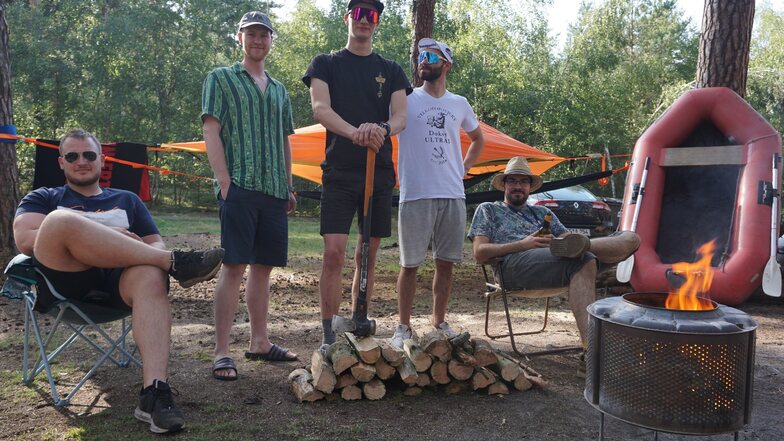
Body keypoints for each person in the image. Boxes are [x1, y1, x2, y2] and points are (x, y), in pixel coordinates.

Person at [13, 129, 225, 434]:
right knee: (60, 221)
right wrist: (106, 234)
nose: (81, 161)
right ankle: (179, 264)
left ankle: (155, 394)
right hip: (68, 282)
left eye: (89, 155)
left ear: (102, 159)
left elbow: (155, 248)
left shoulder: (127, 199)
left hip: (119, 284)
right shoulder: (45, 197)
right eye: (72, 156)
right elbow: (26, 240)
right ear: (61, 163)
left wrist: (132, 251)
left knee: (153, 271)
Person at [302, 0, 410, 351]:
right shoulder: (326, 64)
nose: (365, 21)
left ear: (377, 23)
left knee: (368, 253)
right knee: (334, 253)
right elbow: (320, 108)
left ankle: (358, 317)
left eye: (372, 15)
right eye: (359, 14)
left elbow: (400, 117)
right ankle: (328, 334)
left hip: (377, 173)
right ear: (348, 18)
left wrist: (380, 128)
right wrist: (355, 132)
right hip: (339, 171)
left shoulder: (391, 69)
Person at [202, 11, 298, 381]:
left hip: (274, 190)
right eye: (251, 34)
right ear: (239, 38)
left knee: (263, 268)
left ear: (271, 41)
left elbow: (284, 140)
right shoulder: (221, 79)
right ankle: (221, 351)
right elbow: (212, 130)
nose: (258, 40)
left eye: (264, 35)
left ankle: (260, 341)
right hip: (239, 187)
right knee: (233, 266)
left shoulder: (278, 89)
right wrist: (225, 183)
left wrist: (288, 186)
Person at [468, 156, 640, 348]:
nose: (518, 186)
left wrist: (561, 243)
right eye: (513, 180)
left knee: (626, 240)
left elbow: (567, 239)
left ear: (530, 186)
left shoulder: (543, 213)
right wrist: (524, 244)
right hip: (512, 267)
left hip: (552, 262)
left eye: (523, 181)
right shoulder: (489, 210)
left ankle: (590, 245)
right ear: (504, 185)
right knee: (584, 258)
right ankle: (591, 347)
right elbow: (479, 252)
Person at [392, 38, 485, 347]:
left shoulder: (459, 103)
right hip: (416, 193)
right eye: (421, 55)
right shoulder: (405, 98)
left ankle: (439, 322)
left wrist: (463, 169)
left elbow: (478, 139)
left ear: (446, 64)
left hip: (452, 194)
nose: (423, 60)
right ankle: (403, 327)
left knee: (445, 263)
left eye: (431, 56)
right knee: (409, 264)